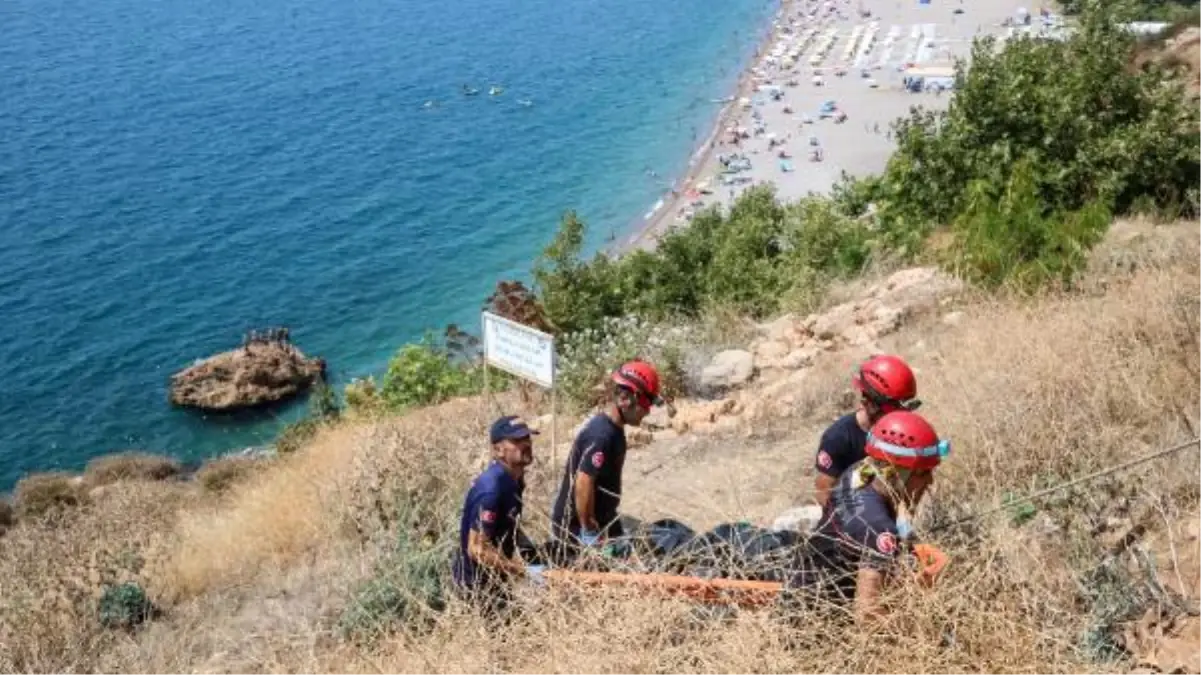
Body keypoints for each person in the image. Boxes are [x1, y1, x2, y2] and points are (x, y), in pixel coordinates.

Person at [799, 410, 950, 622]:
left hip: (808, 582)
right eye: (923, 473)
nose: (930, 482)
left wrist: (908, 543)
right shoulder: (877, 529)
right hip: (819, 622)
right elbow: (867, 615)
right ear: (898, 474)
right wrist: (918, 618)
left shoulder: (860, 472)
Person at [549, 360, 664, 562]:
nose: (648, 411)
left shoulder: (614, 430)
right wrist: (589, 528)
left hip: (604, 520)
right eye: (648, 403)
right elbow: (583, 482)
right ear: (629, 398)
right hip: (576, 530)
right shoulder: (602, 436)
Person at [451, 415, 544, 616]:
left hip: (496, 577)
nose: (526, 444)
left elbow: (509, 522)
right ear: (498, 450)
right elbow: (476, 548)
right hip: (477, 586)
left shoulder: (515, 479)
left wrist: (532, 555)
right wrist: (521, 571)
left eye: (527, 438)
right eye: (517, 441)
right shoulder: (492, 489)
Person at [812, 354, 919, 509]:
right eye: (893, 411)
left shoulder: (901, 432)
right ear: (868, 404)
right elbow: (824, 493)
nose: (901, 418)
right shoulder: (838, 438)